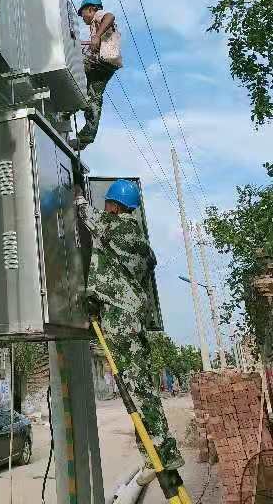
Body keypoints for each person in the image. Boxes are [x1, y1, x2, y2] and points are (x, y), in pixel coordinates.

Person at [76, 178, 185, 483]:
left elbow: (87, 215)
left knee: (136, 389)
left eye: (107, 204)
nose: (105, 209)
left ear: (114, 205)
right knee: (141, 386)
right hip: (134, 318)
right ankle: (155, 453)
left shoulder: (116, 228)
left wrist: (78, 197)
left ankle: (161, 454)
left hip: (120, 318)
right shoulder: (140, 243)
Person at [70, 0, 123, 150]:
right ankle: (85, 138)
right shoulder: (98, 27)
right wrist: (90, 41)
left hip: (100, 61)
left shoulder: (98, 16)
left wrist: (96, 36)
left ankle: (67, 107)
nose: (83, 18)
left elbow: (110, 16)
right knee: (94, 98)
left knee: (71, 65)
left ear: (91, 9)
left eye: (83, 14)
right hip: (108, 66)